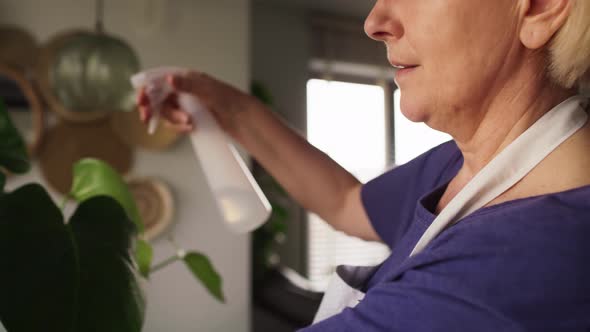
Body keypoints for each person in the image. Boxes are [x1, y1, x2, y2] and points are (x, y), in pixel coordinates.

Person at [137, 0, 590, 330]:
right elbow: (344, 202)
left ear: (540, 7)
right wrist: (227, 107)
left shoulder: (517, 267)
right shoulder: (463, 164)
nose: (375, 22)